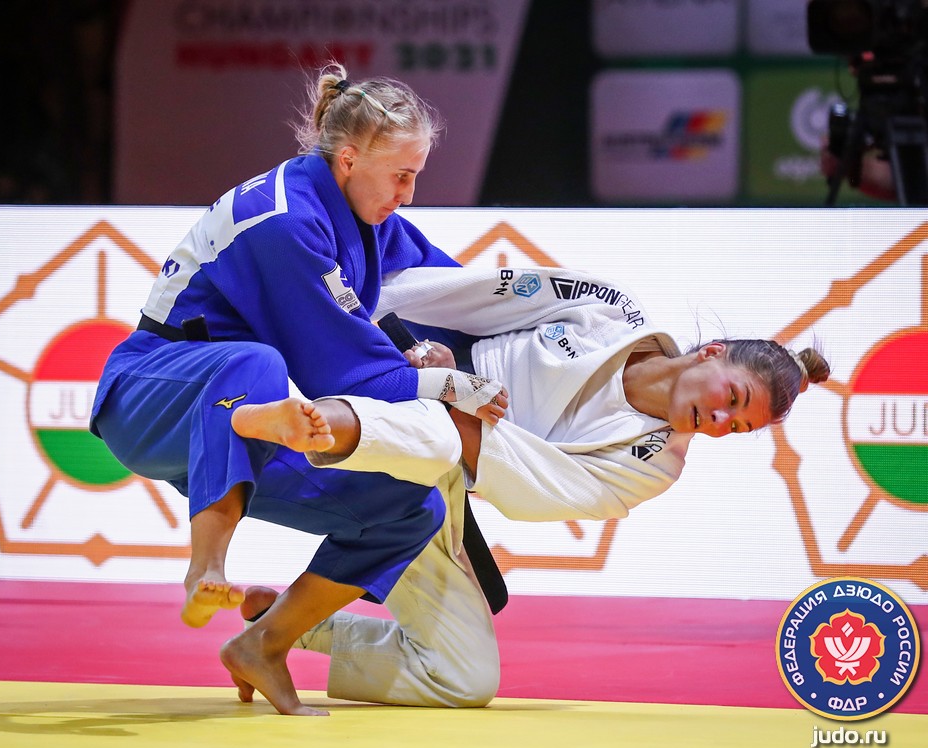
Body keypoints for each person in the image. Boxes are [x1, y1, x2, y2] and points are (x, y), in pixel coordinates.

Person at [89, 63, 507, 715]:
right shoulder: (282, 219)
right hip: (150, 397)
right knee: (253, 364)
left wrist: (555, 332)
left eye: (416, 176)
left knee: (408, 506)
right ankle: (207, 568)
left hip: (238, 427)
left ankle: (264, 641)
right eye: (402, 175)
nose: (409, 194)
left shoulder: (373, 218)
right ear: (350, 159)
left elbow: (456, 298)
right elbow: (345, 375)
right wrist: (449, 382)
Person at [226, 265, 831, 708]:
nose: (719, 420)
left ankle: (281, 626)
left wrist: (455, 395)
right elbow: (465, 296)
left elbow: (535, 490)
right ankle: (305, 422)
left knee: (464, 680)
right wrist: (372, 325)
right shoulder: (607, 310)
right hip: (395, 373)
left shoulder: (655, 467)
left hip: (445, 469)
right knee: (431, 434)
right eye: (732, 398)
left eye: (736, 427)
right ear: (711, 353)